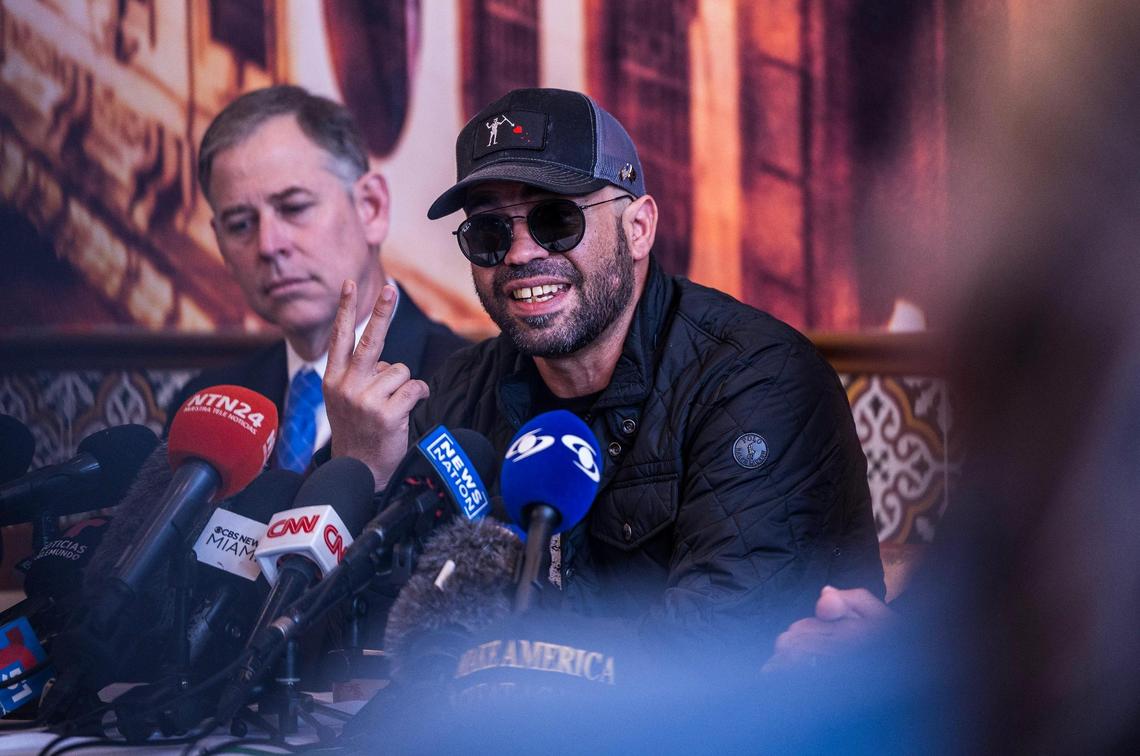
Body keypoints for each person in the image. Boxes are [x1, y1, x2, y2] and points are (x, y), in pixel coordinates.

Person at [323, 88, 883, 658]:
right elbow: (346, 638)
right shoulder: (458, 392)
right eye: (489, 232)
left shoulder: (757, 381)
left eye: (555, 220)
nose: (519, 254)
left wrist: (490, 648)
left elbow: (712, 648)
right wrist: (365, 473)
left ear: (638, 228)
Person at [167, 85, 467, 472]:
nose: (269, 245)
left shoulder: (462, 386)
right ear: (221, 245)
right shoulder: (204, 410)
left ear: (371, 207)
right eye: (240, 224)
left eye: (294, 208)